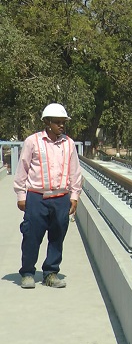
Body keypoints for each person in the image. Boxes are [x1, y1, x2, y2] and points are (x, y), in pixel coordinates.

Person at [14, 103, 82, 288]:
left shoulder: (68, 144)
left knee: (57, 236)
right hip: (37, 198)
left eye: (63, 122)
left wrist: (74, 195)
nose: (62, 125)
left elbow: (75, 172)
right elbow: (22, 170)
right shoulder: (32, 142)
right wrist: (21, 195)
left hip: (61, 198)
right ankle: (28, 272)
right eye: (58, 122)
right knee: (31, 236)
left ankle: (50, 273)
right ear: (47, 122)